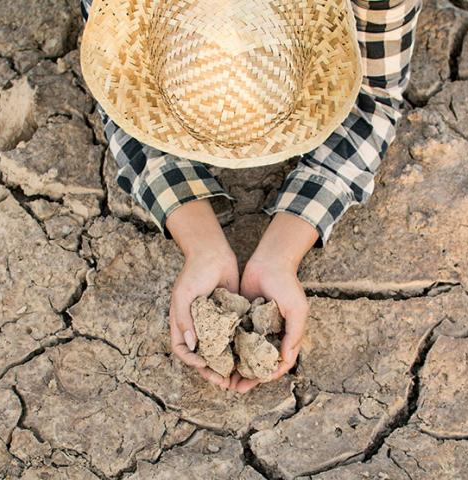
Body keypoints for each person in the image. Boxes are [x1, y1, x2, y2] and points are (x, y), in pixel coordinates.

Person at [79, 0, 422, 393]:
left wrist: (283, 252)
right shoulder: (118, 11)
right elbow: (119, 94)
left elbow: (372, 98)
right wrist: (203, 246)